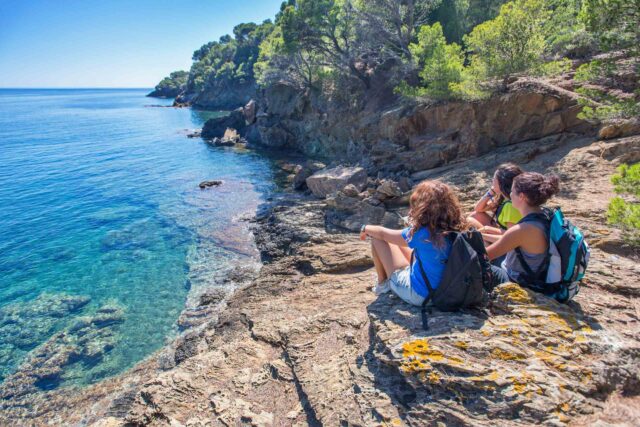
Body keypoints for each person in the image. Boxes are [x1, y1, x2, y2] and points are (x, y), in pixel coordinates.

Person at [359, 180, 467, 306]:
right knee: (400, 243)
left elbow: (382, 234)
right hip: (450, 291)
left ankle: (383, 285)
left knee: (377, 238)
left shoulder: (422, 234)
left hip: (423, 295)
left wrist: (364, 228)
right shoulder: (458, 228)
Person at [486, 172, 561, 285]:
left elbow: (485, 255)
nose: (510, 195)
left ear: (521, 196)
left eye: (512, 191)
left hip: (521, 281)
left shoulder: (523, 229)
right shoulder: (545, 214)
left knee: (473, 264)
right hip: (536, 274)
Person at [467, 163, 524, 244]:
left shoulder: (510, 206)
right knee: (475, 215)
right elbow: (478, 209)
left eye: (494, 179)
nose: (492, 182)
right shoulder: (503, 198)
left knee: (469, 221)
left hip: (510, 243)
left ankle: (487, 251)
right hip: (505, 232)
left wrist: (486, 231)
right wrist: (491, 192)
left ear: (502, 184)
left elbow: (513, 236)